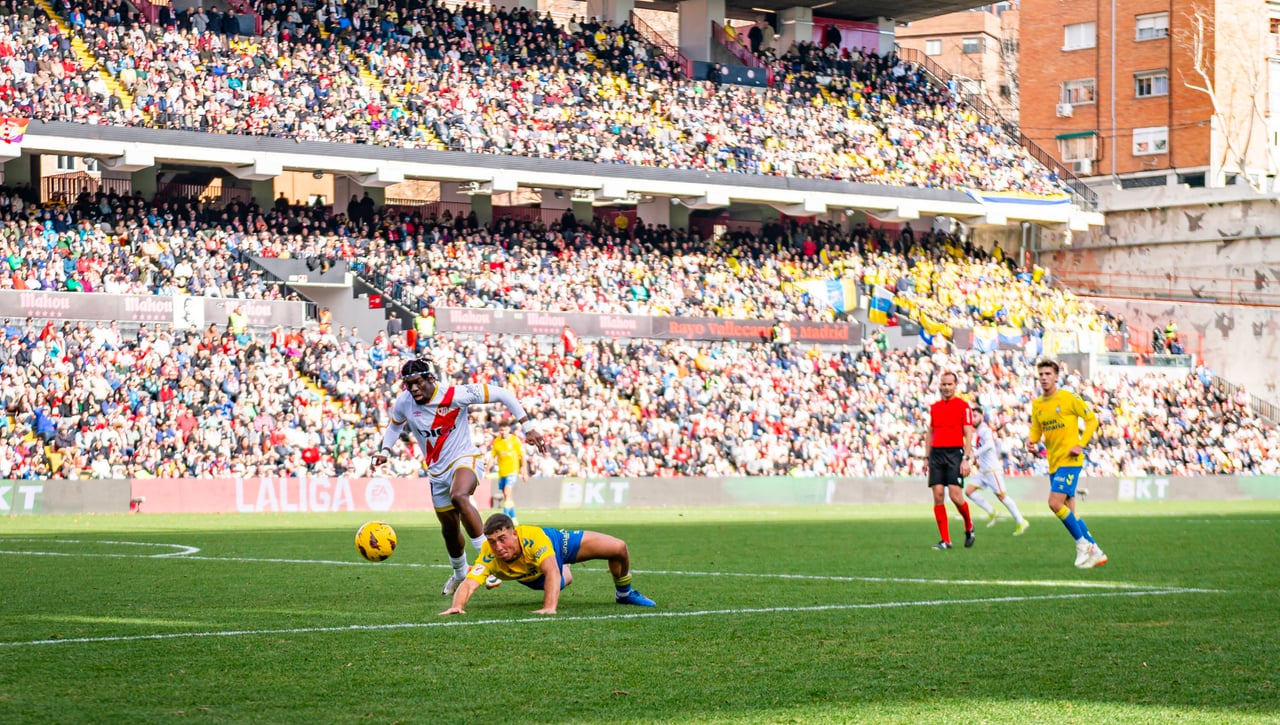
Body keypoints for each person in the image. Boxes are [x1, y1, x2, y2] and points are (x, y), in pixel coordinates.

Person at [372, 358, 548, 595]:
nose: (413, 389)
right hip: (436, 471)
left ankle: (488, 560)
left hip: (466, 459)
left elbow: (503, 394)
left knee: (460, 495)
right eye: (409, 384)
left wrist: (528, 428)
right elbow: (395, 426)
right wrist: (385, 451)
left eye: (418, 383)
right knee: (449, 528)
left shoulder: (457, 394)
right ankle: (459, 572)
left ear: (430, 379)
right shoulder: (404, 401)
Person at [440, 513, 656, 615]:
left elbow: (551, 570)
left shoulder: (533, 537)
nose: (497, 547)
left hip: (558, 544)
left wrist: (549, 607)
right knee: (562, 579)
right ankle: (566, 571)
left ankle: (625, 594)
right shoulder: (488, 554)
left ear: (515, 534)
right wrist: (457, 606)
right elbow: (469, 582)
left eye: (502, 539)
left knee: (619, 547)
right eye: (492, 542)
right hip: (533, 575)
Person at [1025, 359, 1106, 568]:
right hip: (1053, 462)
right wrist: (1032, 442)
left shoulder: (1069, 398)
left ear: (1056, 376)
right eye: (1041, 374)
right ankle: (1095, 549)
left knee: (1054, 503)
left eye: (1047, 374)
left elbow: (1092, 420)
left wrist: (1081, 444)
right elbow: (1036, 430)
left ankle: (1082, 544)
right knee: (1070, 510)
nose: (1043, 378)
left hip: (1070, 460)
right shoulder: (1037, 405)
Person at [926, 371, 976, 550]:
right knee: (938, 495)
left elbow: (968, 433)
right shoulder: (935, 407)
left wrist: (966, 459)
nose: (946, 388)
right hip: (937, 454)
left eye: (949, 384)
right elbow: (930, 432)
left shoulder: (963, 406)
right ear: (940, 385)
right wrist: (927, 456)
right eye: (944, 384)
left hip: (955, 453)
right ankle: (945, 540)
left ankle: (969, 525)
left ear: (956, 386)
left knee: (955, 495)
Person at [964, 404, 1029, 535]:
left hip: (992, 470)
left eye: (975, 416)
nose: (973, 419)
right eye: (972, 417)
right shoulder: (979, 432)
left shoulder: (985, 430)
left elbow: (989, 445)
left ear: (982, 416)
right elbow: (993, 447)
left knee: (1002, 496)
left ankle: (1021, 521)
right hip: (983, 471)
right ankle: (992, 512)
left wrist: (974, 455)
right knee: (969, 491)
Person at [489, 420, 527, 525]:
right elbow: (492, 456)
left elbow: (522, 456)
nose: (503, 432)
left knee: (507, 492)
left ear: (509, 430)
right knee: (507, 497)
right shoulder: (497, 441)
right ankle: (513, 518)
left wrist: (524, 471)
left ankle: (505, 518)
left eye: (505, 430)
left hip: (513, 471)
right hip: (502, 473)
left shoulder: (515, 440)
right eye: (501, 430)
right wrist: (487, 469)